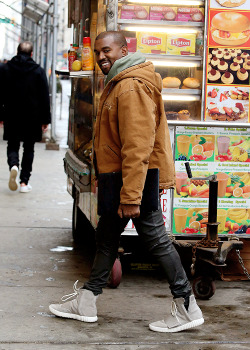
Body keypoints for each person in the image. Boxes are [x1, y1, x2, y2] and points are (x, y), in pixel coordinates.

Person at [49, 31, 204, 332]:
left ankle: (187, 305)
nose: (101, 57)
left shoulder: (131, 86)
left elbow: (137, 146)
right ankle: (88, 299)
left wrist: (131, 196)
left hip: (131, 180)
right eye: (97, 52)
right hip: (118, 179)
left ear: (123, 50)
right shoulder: (120, 81)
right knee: (106, 238)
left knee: (156, 240)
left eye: (107, 50)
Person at [0, 41, 51, 192]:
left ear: (17, 52)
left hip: (11, 114)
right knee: (29, 148)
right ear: (31, 54)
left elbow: (0, 93)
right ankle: (24, 182)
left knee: (12, 145)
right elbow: (44, 97)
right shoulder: (38, 71)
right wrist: (45, 120)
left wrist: (1, 115)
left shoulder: (5, 69)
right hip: (32, 117)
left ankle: (14, 165)